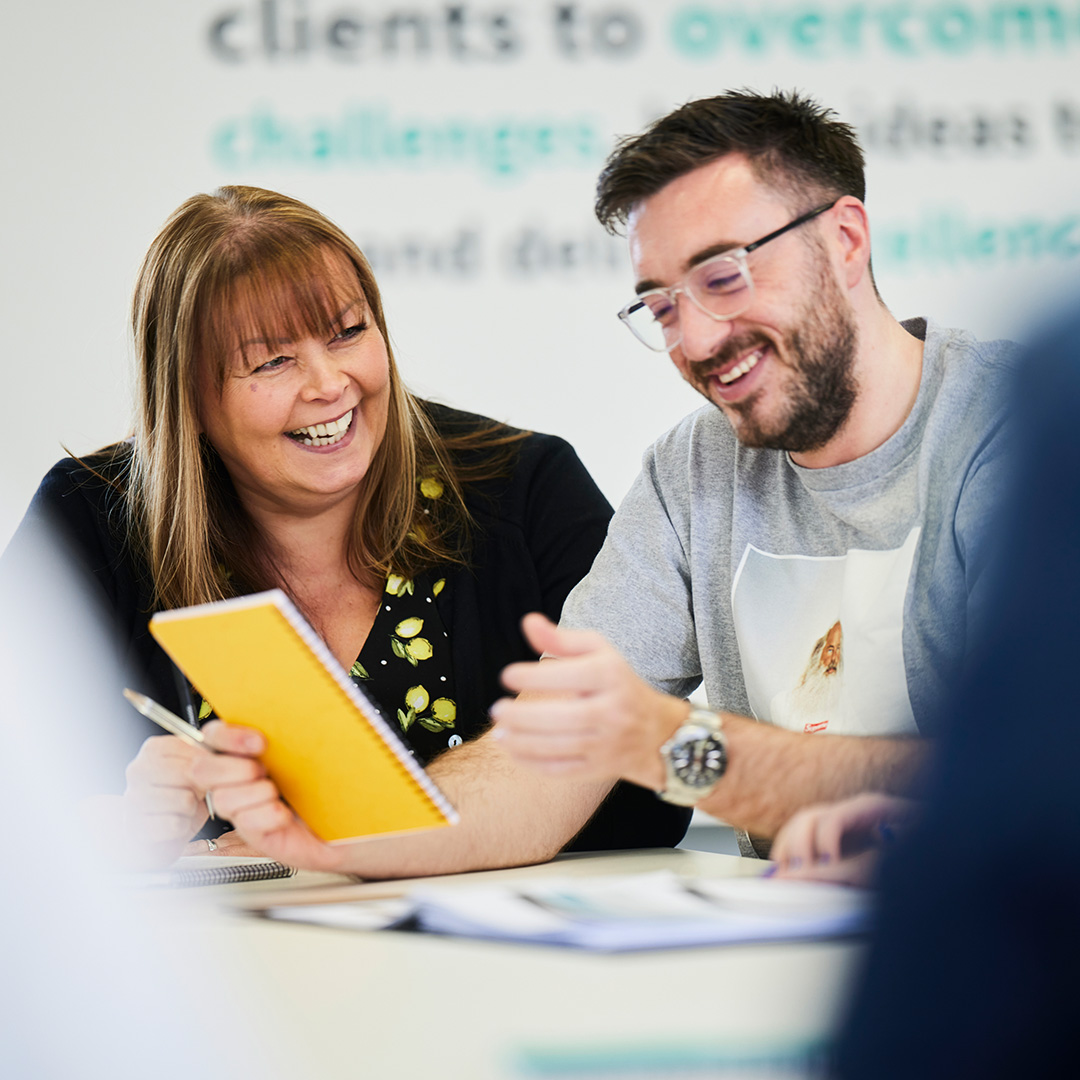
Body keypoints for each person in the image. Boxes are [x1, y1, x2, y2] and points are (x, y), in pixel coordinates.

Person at [5, 185, 688, 872]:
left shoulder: (525, 487)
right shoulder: (92, 518)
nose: (330, 383)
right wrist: (104, 823)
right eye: (272, 361)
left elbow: (645, 797)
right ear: (190, 398)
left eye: (348, 332)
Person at [492, 89, 1020, 855]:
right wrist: (334, 836)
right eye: (663, 308)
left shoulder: (1012, 433)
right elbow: (541, 767)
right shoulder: (691, 470)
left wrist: (675, 747)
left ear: (844, 240)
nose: (697, 339)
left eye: (724, 276)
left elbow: (1021, 779)